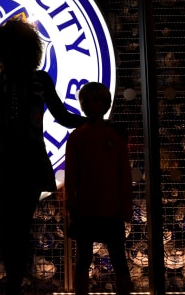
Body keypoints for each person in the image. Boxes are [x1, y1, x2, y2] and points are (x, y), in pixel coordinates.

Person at [0, 16, 86, 295]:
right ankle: (15, 282)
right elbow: (62, 116)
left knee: (13, 225)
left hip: (9, 161)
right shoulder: (27, 81)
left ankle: (14, 282)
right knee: (17, 225)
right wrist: (90, 121)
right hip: (23, 160)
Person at [64, 81, 132, 295]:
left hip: (109, 207)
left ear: (105, 103)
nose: (91, 105)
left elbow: (124, 173)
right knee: (85, 258)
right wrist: (72, 203)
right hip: (88, 208)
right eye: (87, 101)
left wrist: (125, 206)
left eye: (96, 100)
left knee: (117, 257)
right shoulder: (78, 137)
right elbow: (71, 175)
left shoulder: (114, 137)